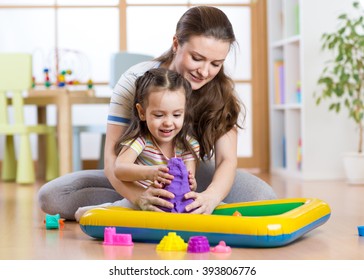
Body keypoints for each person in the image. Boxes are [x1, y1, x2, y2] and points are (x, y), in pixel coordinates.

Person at [38, 6, 277, 221]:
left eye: (216, 64)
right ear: (176, 44)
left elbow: (227, 160)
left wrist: (211, 197)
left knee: (263, 196)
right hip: (137, 167)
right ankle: (130, 199)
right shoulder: (137, 80)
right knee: (53, 197)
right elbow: (112, 158)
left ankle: (143, 202)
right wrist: (140, 196)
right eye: (197, 58)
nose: (205, 72)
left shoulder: (220, 91)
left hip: (191, 175)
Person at [74, 68, 199, 220]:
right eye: (159, 115)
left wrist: (191, 182)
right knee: (111, 212)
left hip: (174, 204)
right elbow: (119, 169)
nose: (168, 122)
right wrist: (150, 172)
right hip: (141, 202)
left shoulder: (188, 145)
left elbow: (190, 183)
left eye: (177, 115)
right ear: (142, 112)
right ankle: (93, 213)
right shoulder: (141, 141)